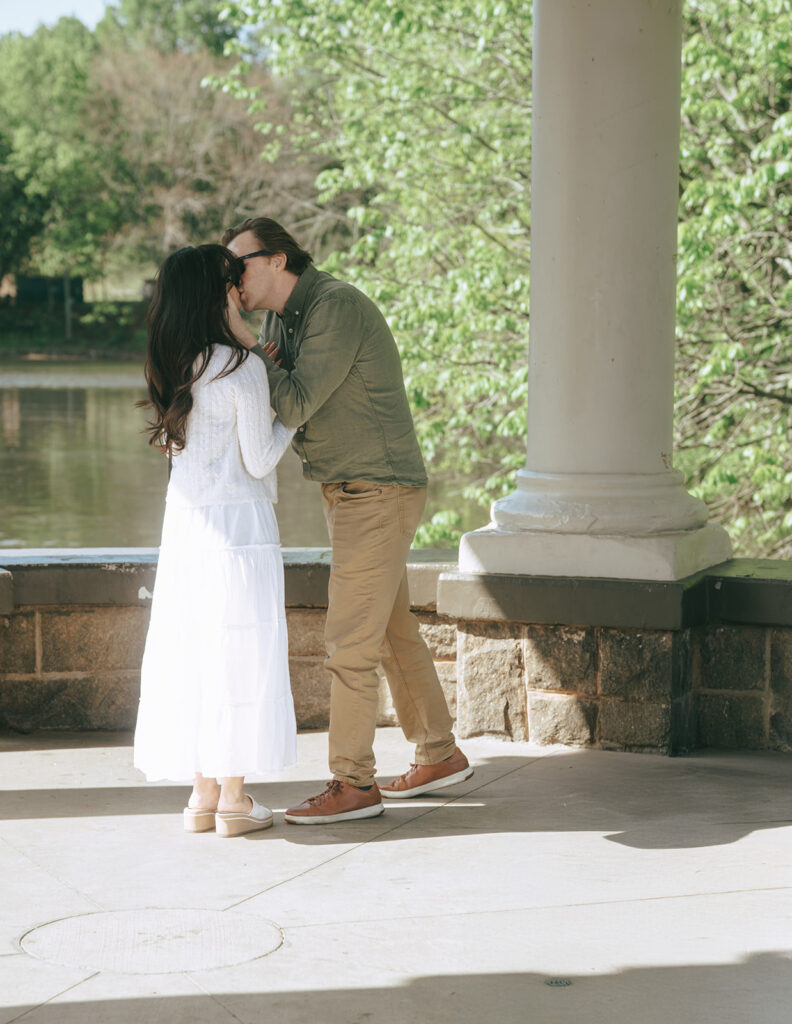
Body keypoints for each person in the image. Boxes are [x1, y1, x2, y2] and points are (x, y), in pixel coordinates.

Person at [221, 217, 472, 825]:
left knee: (349, 645)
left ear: (277, 259)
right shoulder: (285, 320)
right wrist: (264, 350)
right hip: (352, 490)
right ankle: (439, 753)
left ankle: (352, 783)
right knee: (388, 629)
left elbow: (297, 402)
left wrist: (248, 344)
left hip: (377, 491)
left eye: (239, 266)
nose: (232, 281)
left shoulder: (335, 306)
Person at [133, 244, 297, 837]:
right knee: (241, 654)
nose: (240, 292)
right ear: (217, 294)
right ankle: (234, 798)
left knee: (195, 650)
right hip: (240, 528)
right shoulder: (240, 368)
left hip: (185, 529)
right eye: (231, 284)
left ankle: (201, 795)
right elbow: (259, 459)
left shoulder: (175, 363)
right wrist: (294, 412)